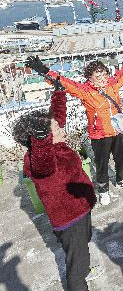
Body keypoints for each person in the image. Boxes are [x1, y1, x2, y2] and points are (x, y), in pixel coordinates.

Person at [12, 79, 104, 290]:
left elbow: (57, 119)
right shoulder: (40, 159)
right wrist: (43, 137)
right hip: (70, 219)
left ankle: (85, 269)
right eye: (55, 129)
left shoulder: (56, 143)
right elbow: (44, 161)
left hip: (81, 208)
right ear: (41, 139)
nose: (61, 129)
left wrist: (59, 93)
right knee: (75, 264)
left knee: (83, 246)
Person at [26, 49, 123, 206]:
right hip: (99, 135)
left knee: (121, 159)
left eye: (104, 75)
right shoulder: (85, 91)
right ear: (90, 79)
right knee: (102, 165)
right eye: (97, 77)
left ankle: (122, 181)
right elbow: (65, 83)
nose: (102, 79)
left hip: (118, 130)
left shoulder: (113, 84)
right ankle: (104, 191)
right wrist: (45, 71)